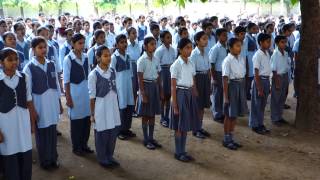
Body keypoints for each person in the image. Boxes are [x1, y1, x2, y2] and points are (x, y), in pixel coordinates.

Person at [23, 36, 62, 169]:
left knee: (52, 132)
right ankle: (45, 160)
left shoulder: (51, 64)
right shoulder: (29, 68)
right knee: (42, 135)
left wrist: (59, 103)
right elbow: (27, 94)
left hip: (52, 104)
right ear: (33, 50)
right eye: (40, 47)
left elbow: (56, 84)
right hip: (39, 105)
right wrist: (32, 111)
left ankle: (53, 157)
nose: (43, 49)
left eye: (45, 47)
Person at [0, 48, 33, 179]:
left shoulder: (25, 77)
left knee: (25, 150)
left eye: (16, 59)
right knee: (9, 153)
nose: (14, 62)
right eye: (10, 60)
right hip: (5, 124)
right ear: (1, 62)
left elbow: (29, 99)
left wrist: (32, 121)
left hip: (22, 121)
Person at [88, 45, 121, 168]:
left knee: (112, 132)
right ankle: (102, 158)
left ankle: (109, 155)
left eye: (109, 55)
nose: (108, 58)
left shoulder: (112, 71)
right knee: (102, 133)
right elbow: (92, 97)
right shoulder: (94, 75)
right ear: (98, 58)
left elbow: (115, 90)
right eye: (105, 56)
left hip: (112, 107)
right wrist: (92, 114)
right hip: (100, 108)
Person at [63, 33, 93, 156]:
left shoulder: (86, 57)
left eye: (83, 43)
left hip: (86, 93)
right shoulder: (68, 59)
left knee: (86, 120)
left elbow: (90, 76)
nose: (82, 45)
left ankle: (84, 144)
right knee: (76, 122)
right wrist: (68, 98)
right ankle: (77, 146)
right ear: (73, 44)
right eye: (79, 43)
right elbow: (66, 80)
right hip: (75, 94)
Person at [169, 38, 199, 162]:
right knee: (179, 126)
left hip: (189, 94)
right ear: (180, 50)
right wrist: (175, 106)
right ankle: (178, 152)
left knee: (185, 125)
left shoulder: (191, 63)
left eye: (190, 47)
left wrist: (194, 92)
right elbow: (173, 86)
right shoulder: (176, 65)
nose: (189, 50)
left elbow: (192, 80)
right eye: (186, 48)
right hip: (180, 94)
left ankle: (183, 151)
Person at [137, 36, 163, 150]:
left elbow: (158, 76)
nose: (154, 46)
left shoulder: (156, 59)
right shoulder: (141, 60)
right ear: (145, 46)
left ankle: (151, 138)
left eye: (154, 44)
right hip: (146, 87)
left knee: (152, 114)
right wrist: (143, 94)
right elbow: (140, 78)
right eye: (151, 44)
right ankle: (146, 139)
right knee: (145, 115)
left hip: (154, 87)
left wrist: (160, 90)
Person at [222, 38, 246, 150]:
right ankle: (226, 139)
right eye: (237, 46)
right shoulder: (227, 61)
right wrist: (226, 97)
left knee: (235, 114)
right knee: (229, 115)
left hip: (240, 85)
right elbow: (225, 79)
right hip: (232, 87)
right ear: (230, 48)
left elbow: (242, 74)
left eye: (240, 46)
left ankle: (231, 137)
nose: (239, 48)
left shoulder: (241, 58)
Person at [111, 34, 136, 140]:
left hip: (128, 86)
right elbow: (112, 74)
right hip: (119, 87)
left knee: (129, 107)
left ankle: (126, 128)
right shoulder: (114, 57)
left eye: (125, 42)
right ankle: (119, 130)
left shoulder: (128, 56)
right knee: (120, 108)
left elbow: (130, 72)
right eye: (121, 42)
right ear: (116, 45)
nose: (124, 44)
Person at [249, 33, 272, 135]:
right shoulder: (257, 55)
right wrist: (259, 87)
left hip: (266, 80)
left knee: (262, 104)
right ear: (261, 42)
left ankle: (260, 123)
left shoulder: (267, 53)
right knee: (256, 104)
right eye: (267, 42)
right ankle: (255, 124)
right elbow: (256, 72)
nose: (269, 43)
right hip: (260, 80)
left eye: (269, 41)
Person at [190, 31, 211, 139]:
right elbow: (192, 73)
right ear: (197, 41)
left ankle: (199, 127)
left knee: (202, 106)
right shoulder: (194, 54)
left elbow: (208, 69)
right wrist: (194, 87)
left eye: (206, 39)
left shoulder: (206, 52)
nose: (206, 41)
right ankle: (195, 129)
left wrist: (209, 81)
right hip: (197, 79)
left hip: (205, 79)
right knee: (197, 106)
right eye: (203, 39)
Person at [154, 30, 176, 128]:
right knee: (163, 96)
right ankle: (162, 117)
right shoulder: (159, 50)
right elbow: (156, 64)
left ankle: (167, 116)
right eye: (168, 37)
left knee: (169, 96)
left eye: (170, 37)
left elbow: (174, 61)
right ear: (162, 39)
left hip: (170, 71)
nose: (170, 39)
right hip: (162, 72)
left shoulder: (172, 49)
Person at [209, 28, 228, 123]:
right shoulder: (216, 48)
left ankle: (222, 112)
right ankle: (217, 114)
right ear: (218, 36)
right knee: (217, 94)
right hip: (218, 72)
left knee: (223, 94)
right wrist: (213, 77)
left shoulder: (226, 47)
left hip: (225, 73)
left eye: (226, 35)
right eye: (223, 35)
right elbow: (211, 63)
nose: (226, 37)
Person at [270, 35, 290, 126]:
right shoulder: (275, 54)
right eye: (282, 42)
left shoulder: (285, 53)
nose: (284, 44)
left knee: (282, 97)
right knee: (276, 98)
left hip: (285, 76)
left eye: (285, 42)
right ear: (277, 43)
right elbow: (274, 70)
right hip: (278, 77)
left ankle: (279, 116)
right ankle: (274, 118)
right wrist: (277, 82)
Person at [126, 27, 141, 117]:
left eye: (135, 33)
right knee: (131, 89)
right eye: (133, 33)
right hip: (130, 67)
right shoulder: (126, 45)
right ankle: (130, 109)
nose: (135, 35)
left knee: (136, 89)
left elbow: (138, 56)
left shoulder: (137, 45)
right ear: (128, 35)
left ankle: (134, 109)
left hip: (137, 67)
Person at [245, 22, 259, 100]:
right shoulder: (246, 38)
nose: (255, 30)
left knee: (251, 76)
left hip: (252, 57)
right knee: (249, 76)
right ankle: (247, 93)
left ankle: (248, 92)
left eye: (255, 28)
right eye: (253, 29)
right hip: (249, 57)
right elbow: (245, 50)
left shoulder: (252, 37)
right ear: (248, 29)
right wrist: (246, 60)